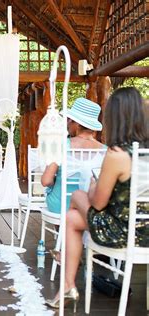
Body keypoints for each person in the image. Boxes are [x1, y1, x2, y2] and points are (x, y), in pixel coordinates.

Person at [45, 87, 149, 310]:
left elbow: (99, 203)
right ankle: (67, 285)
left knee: (76, 198)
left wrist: (93, 185)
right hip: (145, 229)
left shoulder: (117, 154)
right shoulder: (144, 152)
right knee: (73, 217)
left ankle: (68, 286)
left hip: (123, 232)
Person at [41, 98, 106, 214]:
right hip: (90, 208)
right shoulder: (105, 151)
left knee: (54, 196)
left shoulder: (61, 145)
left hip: (61, 205)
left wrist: (55, 180)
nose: (67, 123)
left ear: (76, 123)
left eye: (69, 120)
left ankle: (60, 232)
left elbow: (46, 181)